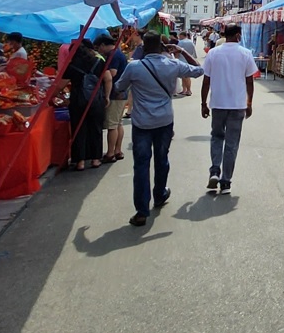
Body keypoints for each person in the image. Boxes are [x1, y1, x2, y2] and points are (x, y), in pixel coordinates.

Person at [115, 33, 204, 226]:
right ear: (162, 47)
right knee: (162, 159)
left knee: (141, 165)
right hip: (164, 122)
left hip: (141, 123)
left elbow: (119, 87)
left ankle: (141, 211)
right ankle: (160, 193)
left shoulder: (134, 67)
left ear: (144, 48)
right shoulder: (172, 65)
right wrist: (181, 51)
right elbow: (199, 70)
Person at [201, 24, 257, 196]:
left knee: (216, 137)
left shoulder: (213, 53)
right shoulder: (245, 54)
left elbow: (206, 81)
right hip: (237, 105)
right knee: (232, 143)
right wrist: (249, 103)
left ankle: (215, 171)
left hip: (218, 103)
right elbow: (249, 81)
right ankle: (225, 182)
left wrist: (203, 103)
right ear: (238, 36)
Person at [63, 37, 110, 171]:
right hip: (96, 99)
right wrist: (106, 96)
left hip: (78, 100)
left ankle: (80, 162)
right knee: (96, 129)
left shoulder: (71, 65)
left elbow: (60, 85)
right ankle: (95, 159)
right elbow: (108, 79)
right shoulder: (99, 61)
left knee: (79, 129)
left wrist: (58, 96)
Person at [100, 32, 130, 162]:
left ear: (103, 45)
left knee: (112, 124)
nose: (99, 50)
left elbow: (112, 73)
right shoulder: (119, 53)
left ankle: (110, 153)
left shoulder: (113, 56)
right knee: (118, 123)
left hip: (115, 93)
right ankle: (117, 150)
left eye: (99, 47)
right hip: (122, 93)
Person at [177, 31, 201, 96]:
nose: (179, 37)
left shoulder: (180, 42)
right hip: (189, 60)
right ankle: (185, 90)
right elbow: (193, 51)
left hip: (182, 60)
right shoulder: (190, 42)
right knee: (185, 76)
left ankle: (188, 90)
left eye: (179, 36)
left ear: (182, 35)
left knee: (185, 77)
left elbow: (177, 51)